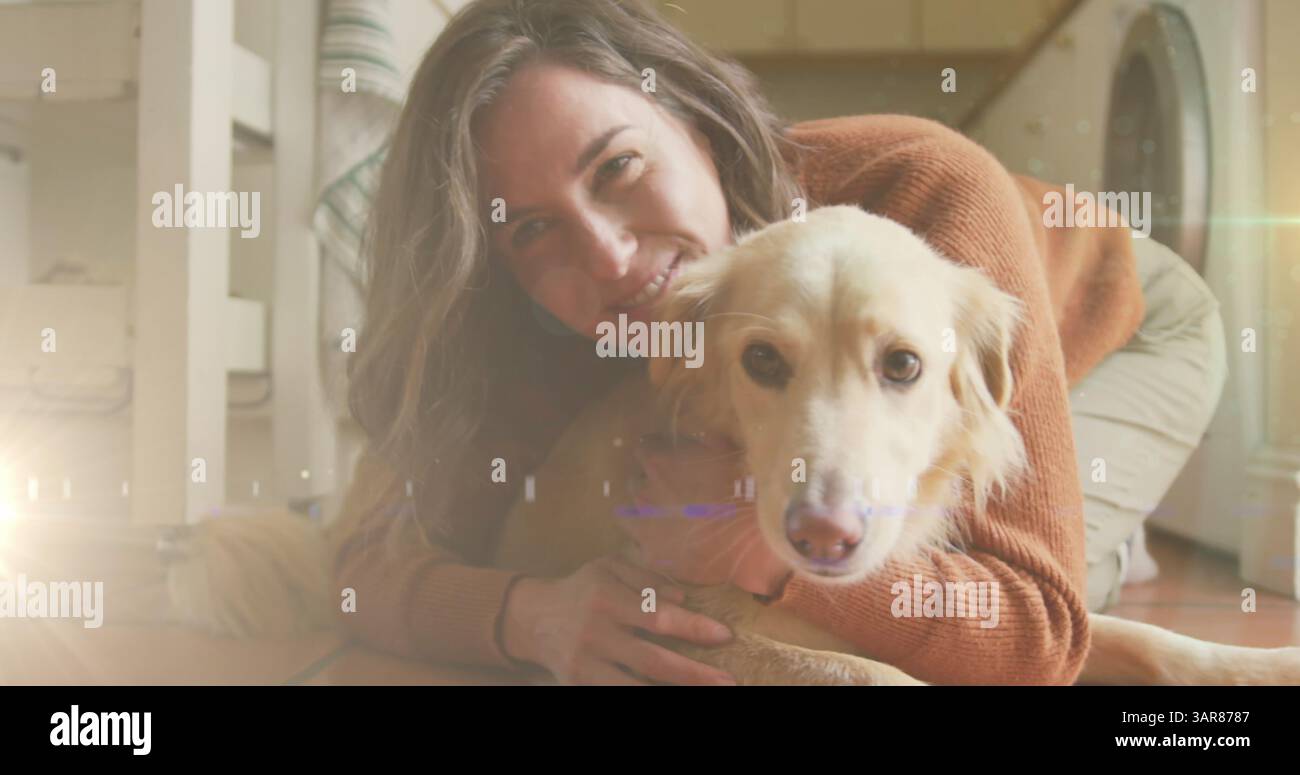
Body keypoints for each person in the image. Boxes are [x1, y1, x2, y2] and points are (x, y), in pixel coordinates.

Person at [329, 0, 1223, 685]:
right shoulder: (552, 335)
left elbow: (1037, 634)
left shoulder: (931, 189)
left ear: (694, 118)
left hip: (1132, 329)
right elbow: (358, 570)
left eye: (618, 167)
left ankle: (1099, 536)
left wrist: (755, 554)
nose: (607, 257)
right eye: (529, 228)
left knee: (995, 599)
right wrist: (527, 616)